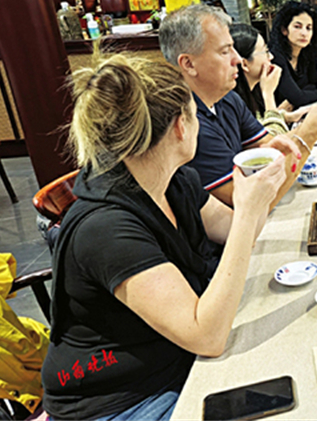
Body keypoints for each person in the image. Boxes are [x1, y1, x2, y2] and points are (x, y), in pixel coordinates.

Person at [41, 53, 285, 420]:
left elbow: (236, 232)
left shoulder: (174, 181)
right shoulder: (106, 229)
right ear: (180, 127)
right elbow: (207, 336)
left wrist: (261, 188)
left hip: (176, 355)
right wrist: (250, 210)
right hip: (122, 398)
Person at [159, 4, 317, 207]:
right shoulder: (187, 125)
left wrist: (309, 127)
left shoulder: (227, 98)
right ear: (188, 64)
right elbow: (247, 203)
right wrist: (310, 132)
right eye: (225, 51)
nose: (237, 59)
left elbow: (271, 146)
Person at [229, 23, 307, 136]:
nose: (271, 57)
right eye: (265, 51)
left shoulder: (251, 93)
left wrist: (288, 117)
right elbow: (272, 141)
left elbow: (258, 122)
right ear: (244, 64)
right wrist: (268, 94)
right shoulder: (232, 104)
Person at [269, 1, 317, 109]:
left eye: (308, 28)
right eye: (297, 27)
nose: (304, 33)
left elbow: (313, 85)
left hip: (299, 111)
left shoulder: (308, 52)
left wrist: (293, 101)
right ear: (284, 30)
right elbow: (298, 97)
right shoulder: (276, 57)